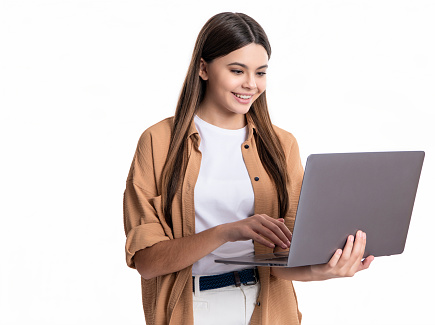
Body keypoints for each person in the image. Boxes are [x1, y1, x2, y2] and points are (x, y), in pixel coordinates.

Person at [123, 12, 375, 325]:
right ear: (203, 68)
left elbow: (285, 257)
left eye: (260, 72)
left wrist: (323, 269)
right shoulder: (158, 142)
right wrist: (228, 231)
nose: (251, 85)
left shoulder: (282, 144)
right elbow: (147, 261)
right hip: (195, 310)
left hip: (267, 308)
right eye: (237, 70)